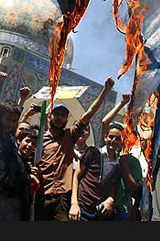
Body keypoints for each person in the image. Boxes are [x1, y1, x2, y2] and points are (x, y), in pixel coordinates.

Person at [35, 76, 115, 221]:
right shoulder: (39, 139)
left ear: (67, 119)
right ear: (49, 116)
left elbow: (89, 113)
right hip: (41, 194)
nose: (59, 118)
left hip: (62, 198)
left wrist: (106, 90)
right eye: (56, 114)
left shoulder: (69, 135)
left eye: (63, 116)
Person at [69, 123, 123, 221]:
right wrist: (74, 203)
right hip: (82, 208)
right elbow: (76, 176)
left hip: (99, 213)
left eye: (118, 138)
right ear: (105, 138)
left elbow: (113, 188)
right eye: (111, 137)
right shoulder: (92, 153)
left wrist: (110, 200)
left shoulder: (118, 166)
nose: (114, 141)